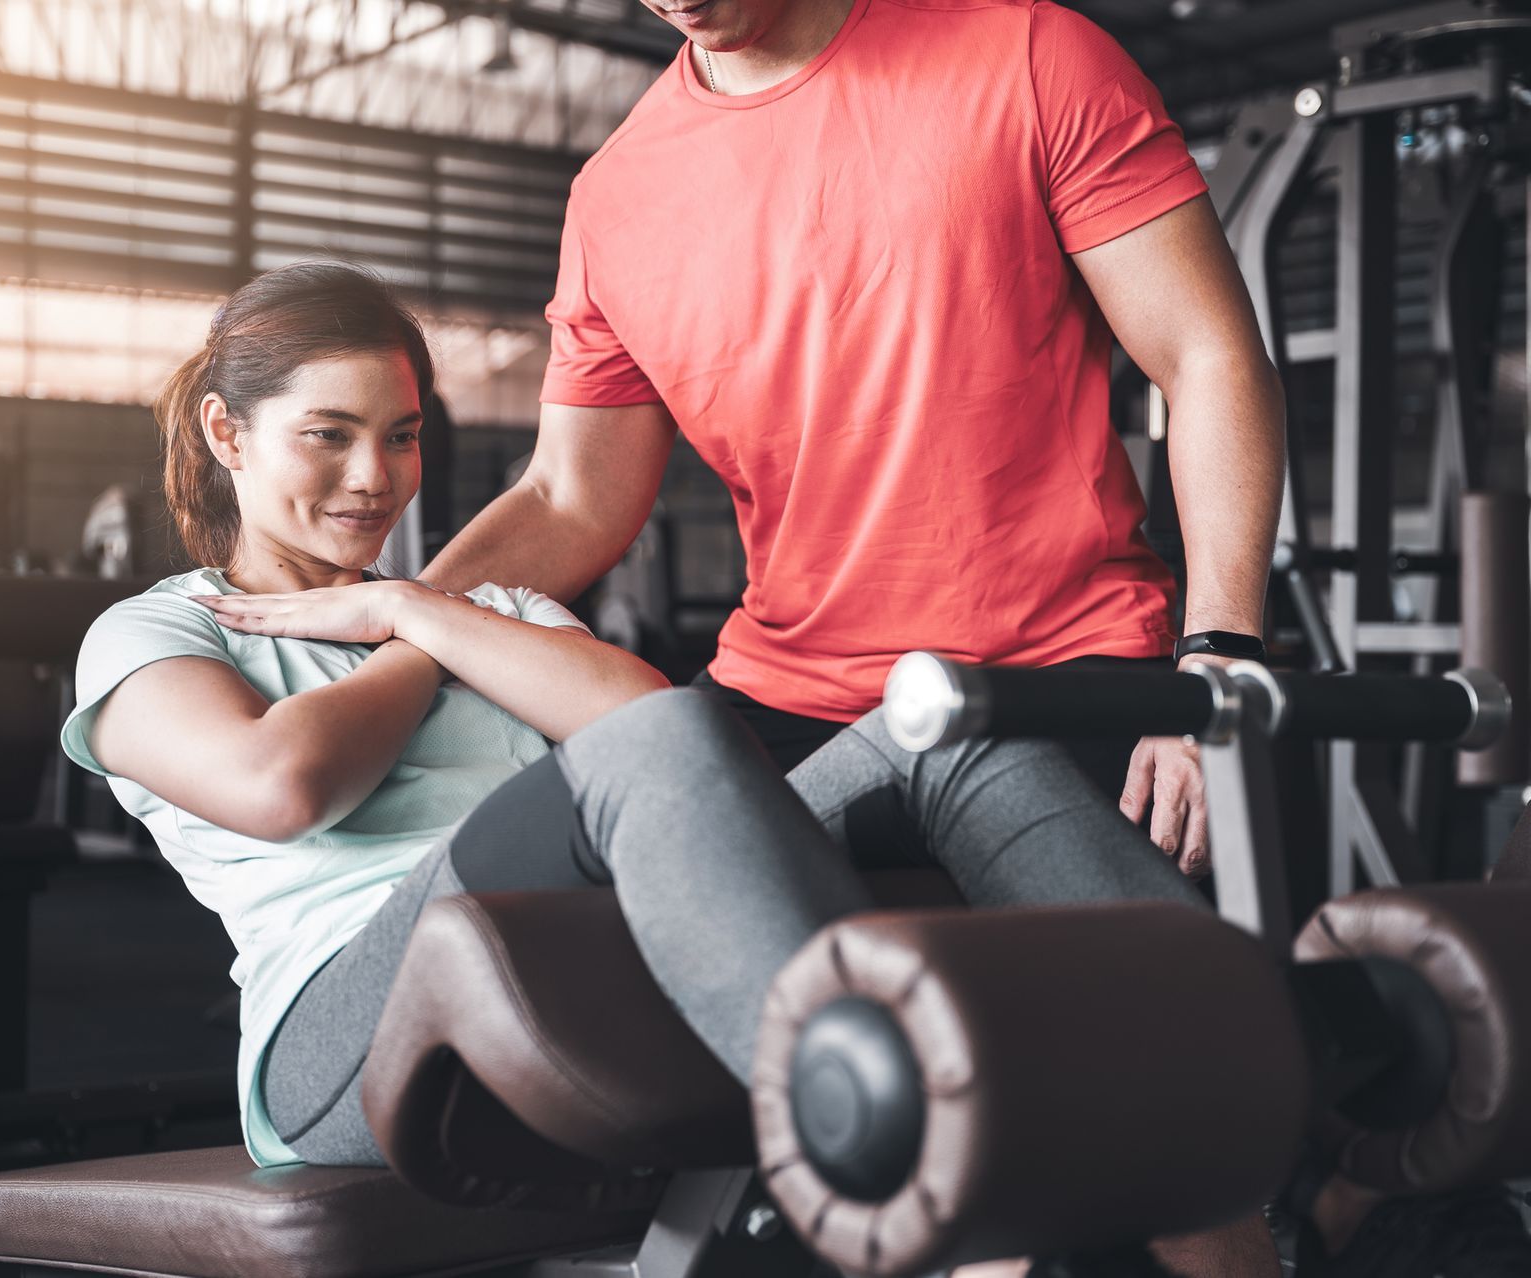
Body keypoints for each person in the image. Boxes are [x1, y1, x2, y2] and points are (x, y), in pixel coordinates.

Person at [412, 0, 1286, 1273]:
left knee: (1152, 1078)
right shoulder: (618, 194)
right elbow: (570, 499)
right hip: (791, 700)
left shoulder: (1027, 57)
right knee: (576, 956)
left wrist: (1215, 659)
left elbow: (1205, 352)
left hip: (1054, 674)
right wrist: (389, 634)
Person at [63, 263, 1201, 1233]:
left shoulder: (481, 606)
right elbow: (280, 781)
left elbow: (675, 743)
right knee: (640, 751)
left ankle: (1215, 1075)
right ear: (228, 433)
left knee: (949, 737)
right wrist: (421, 630)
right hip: (362, 1048)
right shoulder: (159, 630)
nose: (375, 478)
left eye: (401, 437)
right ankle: (903, 1149)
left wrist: (427, 610)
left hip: (600, 964)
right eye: (330, 435)